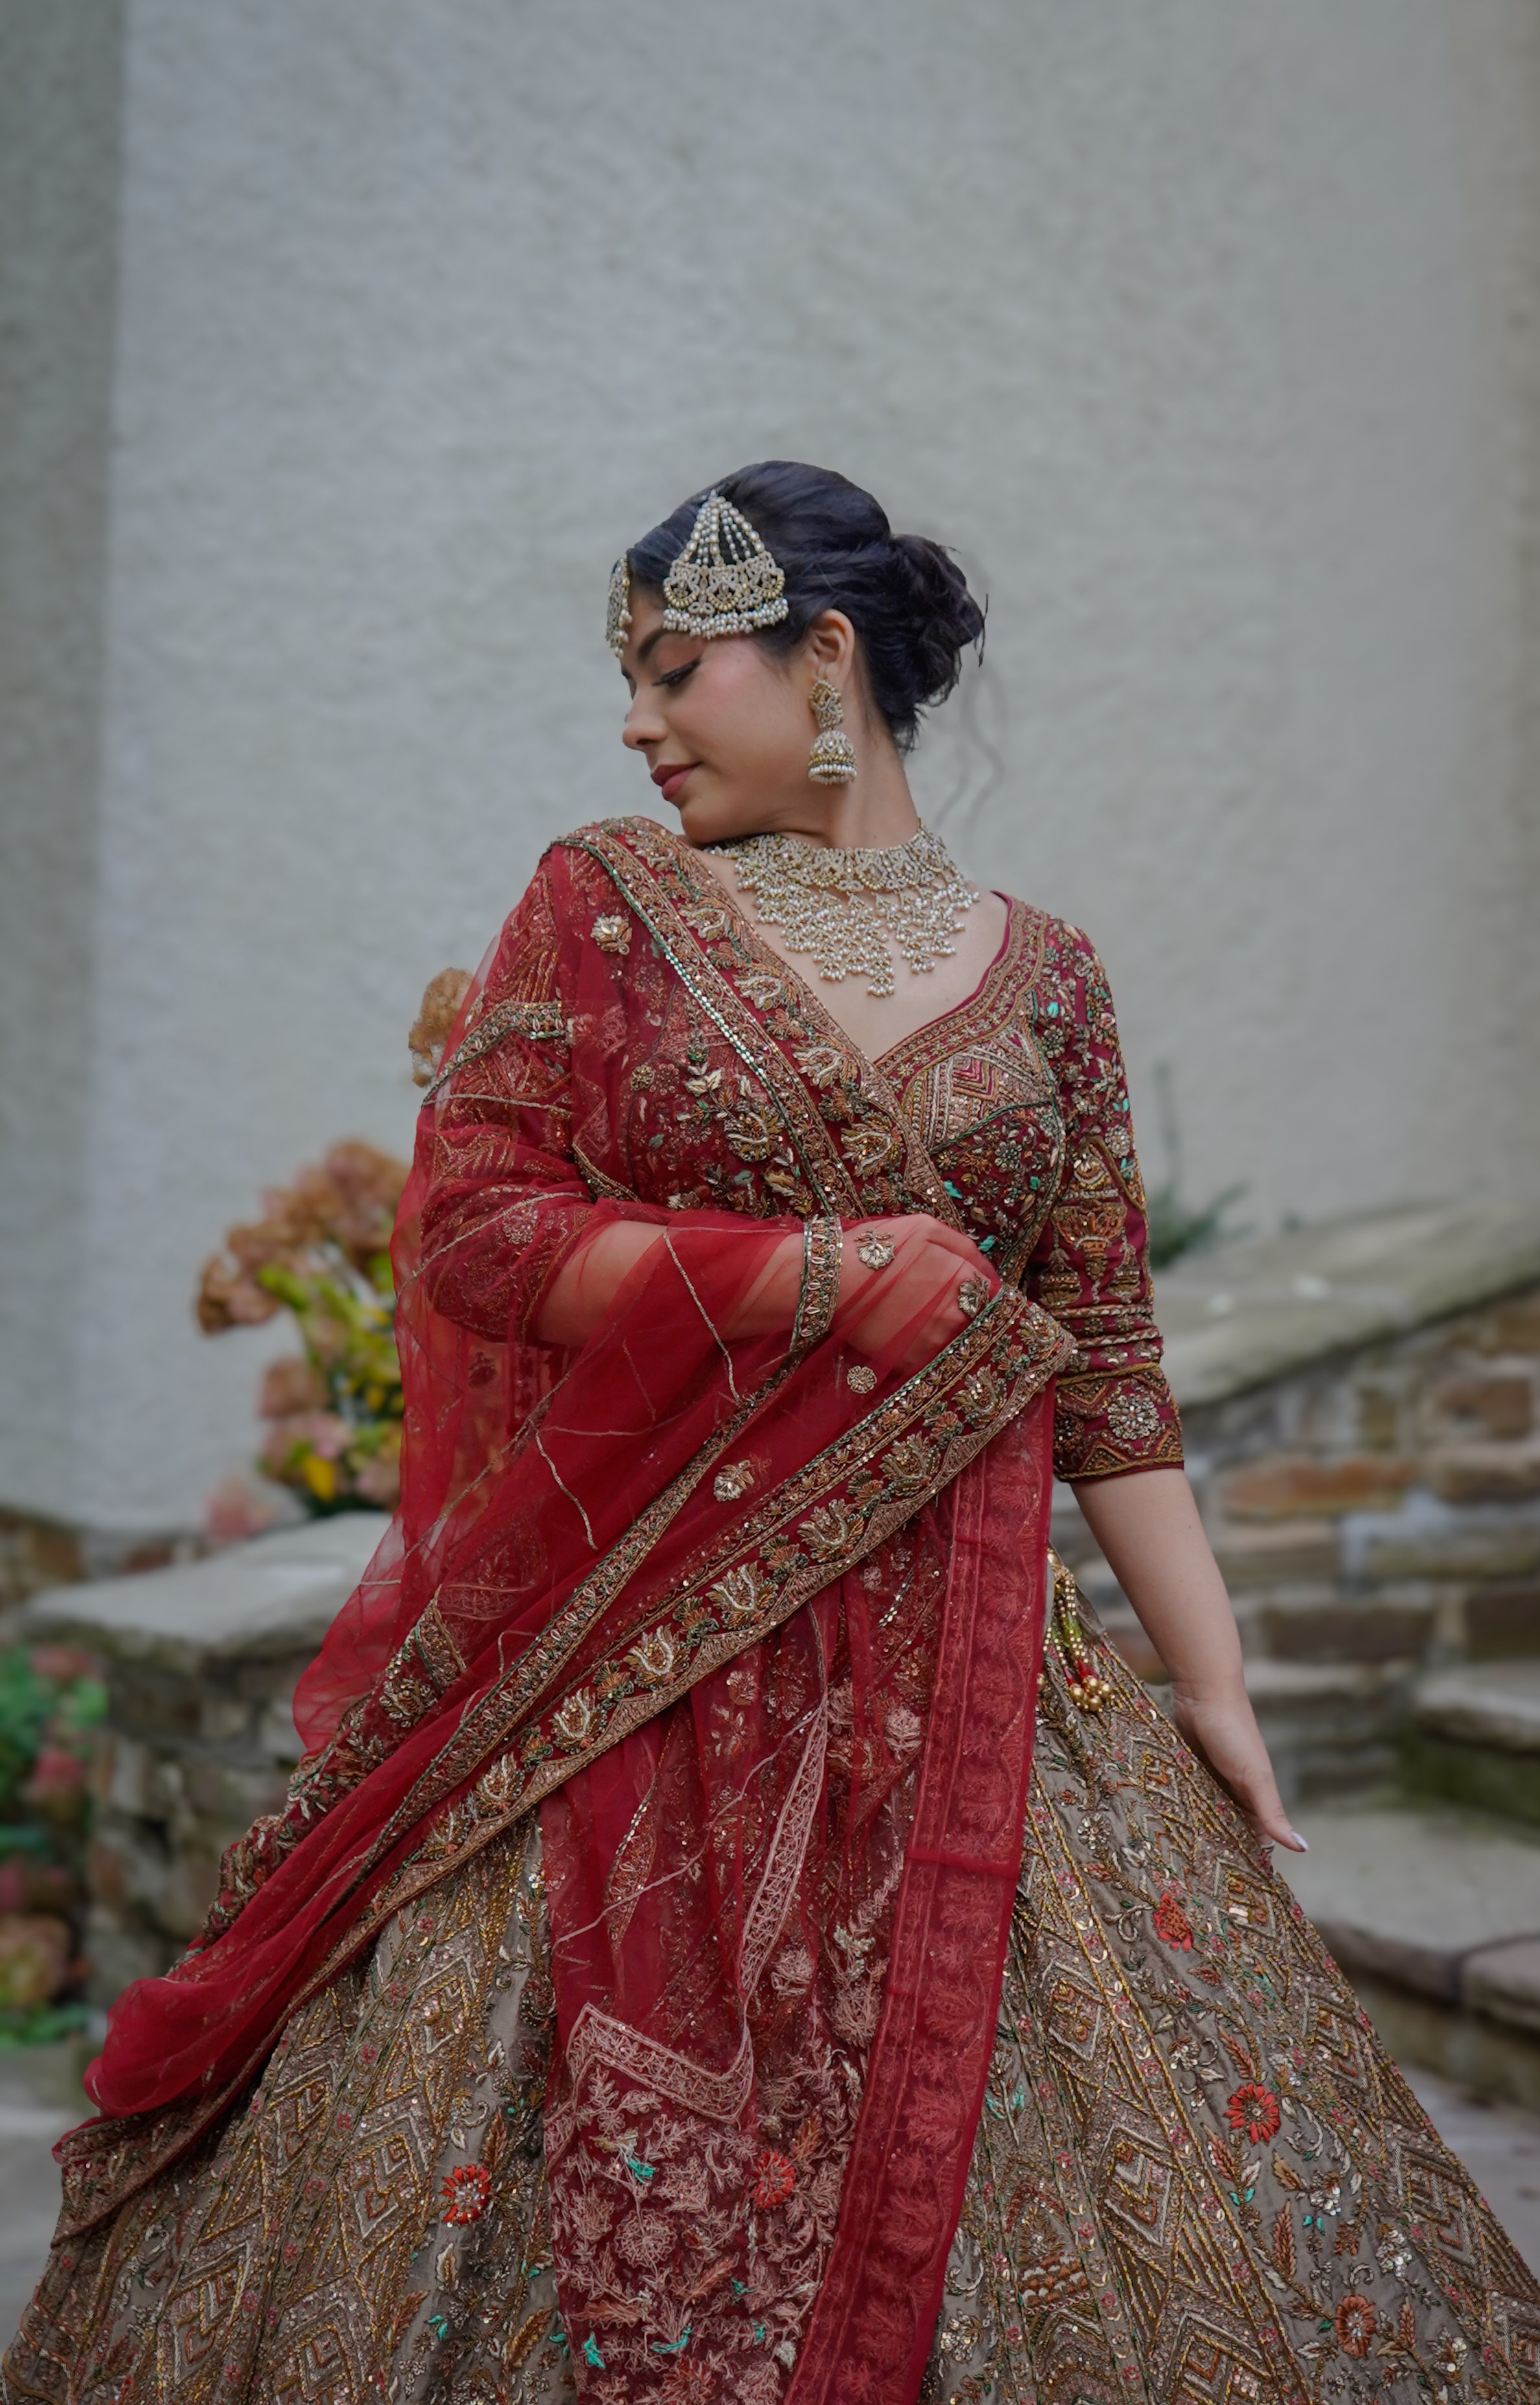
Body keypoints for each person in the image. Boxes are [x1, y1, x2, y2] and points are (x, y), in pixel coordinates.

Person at [6, 464, 1535, 2405]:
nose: (634, 724)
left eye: (672, 671)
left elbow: (1107, 1357)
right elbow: (477, 1231)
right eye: (629, 684)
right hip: (632, 1656)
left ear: (824, 657)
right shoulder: (605, 908)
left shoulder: (1048, 976)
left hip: (975, 1671)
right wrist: (818, 1277)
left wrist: (1214, 1681)